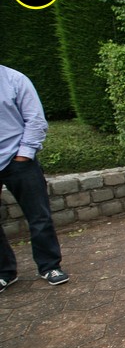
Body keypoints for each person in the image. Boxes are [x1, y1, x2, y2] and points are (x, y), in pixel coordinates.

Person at [0, 65, 69, 293]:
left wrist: (23, 155)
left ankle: (49, 266)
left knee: (38, 215)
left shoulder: (14, 79)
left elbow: (35, 119)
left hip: (17, 159)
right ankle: (4, 272)